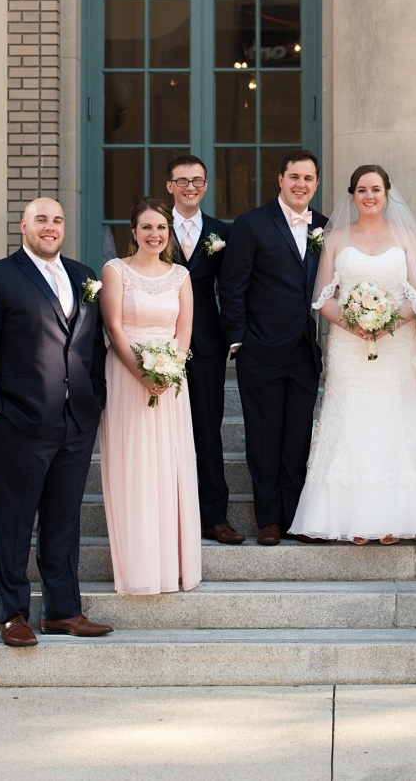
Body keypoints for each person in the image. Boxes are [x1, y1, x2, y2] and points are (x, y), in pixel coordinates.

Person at [0, 198, 113, 646]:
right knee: (15, 520)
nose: (50, 227)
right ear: (23, 226)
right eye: (41, 220)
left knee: (63, 519)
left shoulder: (85, 276)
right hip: (19, 421)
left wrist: (95, 398)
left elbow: (92, 347)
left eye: (58, 220)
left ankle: (62, 610)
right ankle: (14, 615)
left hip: (76, 419)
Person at [292, 164, 416, 544]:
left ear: (386, 194)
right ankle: (351, 519)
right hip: (349, 346)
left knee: (394, 422)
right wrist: (356, 325)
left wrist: (386, 324)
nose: (369, 196)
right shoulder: (336, 237)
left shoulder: (407, 236)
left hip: (396, 345)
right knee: (349, 421)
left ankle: (393, 518)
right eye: (362, 189)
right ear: (352, 195)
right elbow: (323, 298)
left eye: (376, 189)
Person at [218, 150, 331, 546]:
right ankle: (268, 519)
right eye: (294, 176)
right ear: (280, 179)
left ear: (316, 183)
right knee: (264, 438)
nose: (302, 184)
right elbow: (232, 286)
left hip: (304, 350)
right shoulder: (251, 224)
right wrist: (240, 339)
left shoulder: (325, 227)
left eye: (309, 178)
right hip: (260, 349)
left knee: (298, 438)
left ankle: (296, 516)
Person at [97, 198, 202, 594]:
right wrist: (142, 373)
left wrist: (168, 370)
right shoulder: (115, 271)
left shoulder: (180, 275)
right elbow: (115, 328)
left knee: (170, 465)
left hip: (171, 379)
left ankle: (173, 564)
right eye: (147, 227)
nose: (154, 234)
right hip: (127, 375)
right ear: (133, 232)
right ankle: (140, 567)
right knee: (135, 463)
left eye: (161, 227)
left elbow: (184, 331)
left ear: (168, 232)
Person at [164, 154, 241, 546]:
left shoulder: (220, 232)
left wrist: (232, 334)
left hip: (208, 343)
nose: (190, 186)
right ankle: (170, 514)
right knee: (165, 431)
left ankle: (213, 515)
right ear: (170, 187)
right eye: (182, 181)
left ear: (206, 186)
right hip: (161, 344)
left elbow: (231, 288)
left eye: (197, 180)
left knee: (208, 430)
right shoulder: (156, 228)